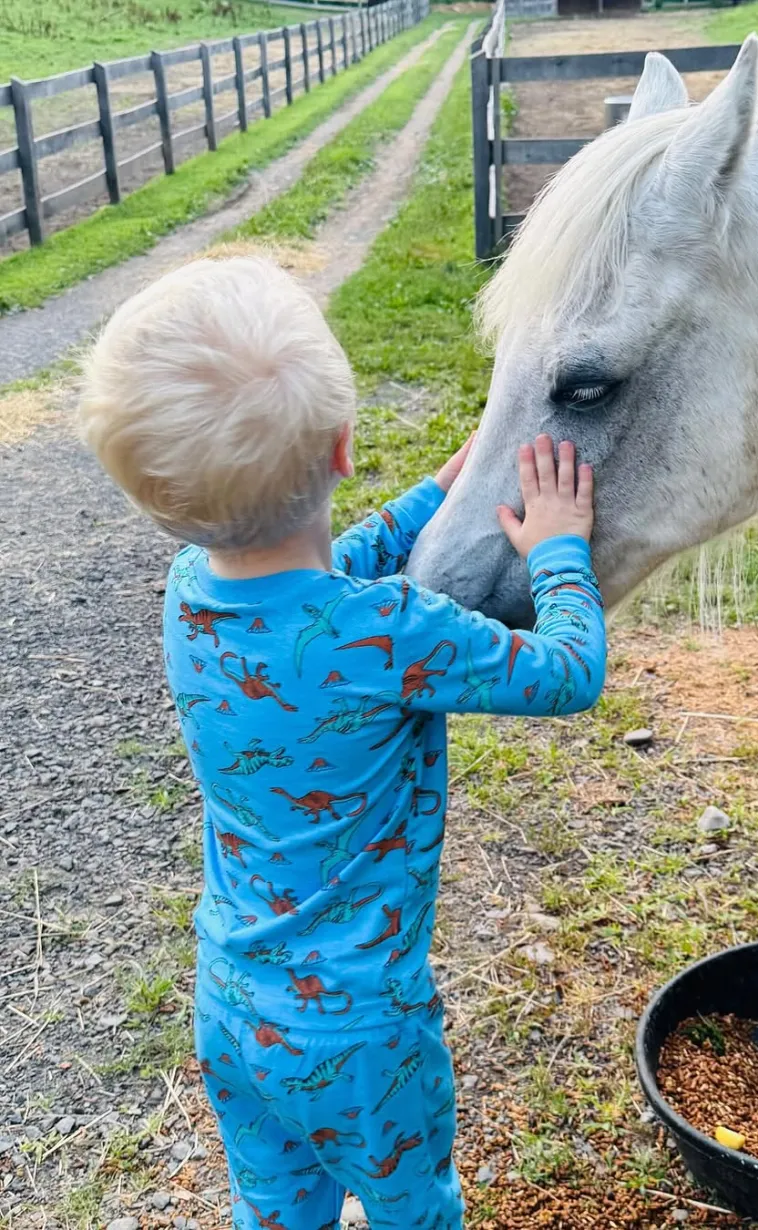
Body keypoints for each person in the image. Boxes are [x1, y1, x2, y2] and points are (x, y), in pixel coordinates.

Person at [79, 255, 607, 1230]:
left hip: (231, 1004)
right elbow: (568, 671)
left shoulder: (190, 592)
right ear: (343, 447)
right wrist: (561, 550)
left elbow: (318, 578)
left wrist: (432, 495)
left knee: (277, 1211)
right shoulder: (395, 634)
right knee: (415, 1213)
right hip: (363, 1037)